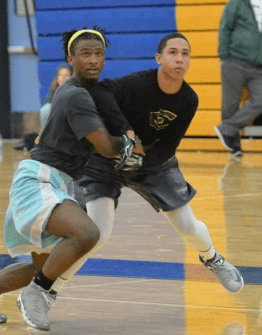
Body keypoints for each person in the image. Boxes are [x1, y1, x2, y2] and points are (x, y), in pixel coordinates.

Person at [0, 26, 143, 332]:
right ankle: (37, 295)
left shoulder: (84, 94)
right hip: (39, 180)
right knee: (87, 234)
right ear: (71, 58)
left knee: (40, 267)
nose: (93, 60)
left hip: (55, 181)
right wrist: (130, 144)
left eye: (99, 54)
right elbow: (106, 147)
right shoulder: (76, 95)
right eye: (86, 54)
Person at [43, 32, 244, 297]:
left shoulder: (189, 99)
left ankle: (212, 258)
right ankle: (47, 290)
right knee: (97, 235)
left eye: (185, 54)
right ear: (159, 58)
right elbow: (101, 90)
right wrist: (126, 133)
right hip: (108, 157)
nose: (180, 59)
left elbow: (169, 145)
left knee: (189, 227)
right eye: (173, 52)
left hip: (153, 161)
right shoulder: (138, 83)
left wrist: (139, 160)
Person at [214, 0, 262, 158]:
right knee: (230, 104)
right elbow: (225, 27)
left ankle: (226, 129)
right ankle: (234, 146)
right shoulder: (237, 3)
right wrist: (224, 57)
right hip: (235, 61)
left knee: (260, 100)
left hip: (258, 66)